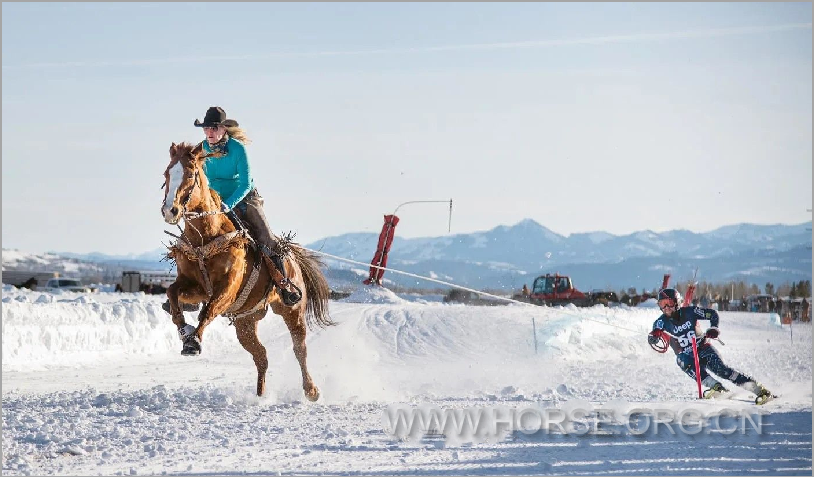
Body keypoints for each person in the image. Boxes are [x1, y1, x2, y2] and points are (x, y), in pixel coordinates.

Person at [163, 106, 301, 312]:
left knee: (266, 239)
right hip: (215, 202)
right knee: (194, 242)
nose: (209, 133)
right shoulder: (200, 150)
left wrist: (229, 204)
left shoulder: (238, 149)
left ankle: (283, 285)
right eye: (206, 129)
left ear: (223, 129)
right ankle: (190, 292)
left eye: (213, 128)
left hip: (244, 198)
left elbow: (245, 184)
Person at [648, 288, 775, 404]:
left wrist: (713, 328)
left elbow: (712, 314)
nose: (666, 307)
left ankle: (760, 390)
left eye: (668, 303)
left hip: (704, 349)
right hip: (689, 355)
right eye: (662, 304)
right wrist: (654, 336)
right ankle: (718, 388)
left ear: (677, 302)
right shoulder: (661, 321)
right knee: (681, 359)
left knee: (722, 370)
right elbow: (654, 334)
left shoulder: (690, 312)